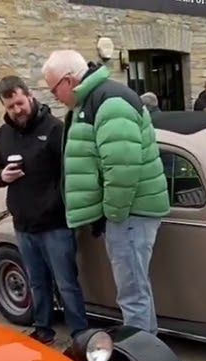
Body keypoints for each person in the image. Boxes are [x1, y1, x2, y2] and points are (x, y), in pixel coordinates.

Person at [42, 49, 169, 334]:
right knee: (137, 290)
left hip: (129, 214)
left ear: (69, 80)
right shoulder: (98, 99)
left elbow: (123, 169)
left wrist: (112, 214)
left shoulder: (108, 101)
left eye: (54, 90)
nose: (55, 97)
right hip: (130, 211)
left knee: (132, 294)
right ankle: (149, 351)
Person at [0, 74, 88, 345]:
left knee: (66, 283)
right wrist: (1, 176)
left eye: (20, 103)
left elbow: (70, 173)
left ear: (29, 96)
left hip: (54, 223)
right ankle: (43, 330)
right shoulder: (3, 134)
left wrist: (59, 203)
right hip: (23, 223)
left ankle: (80, 333)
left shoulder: (54, 128)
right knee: (37, 282)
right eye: (10, 107)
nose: (17, 110)